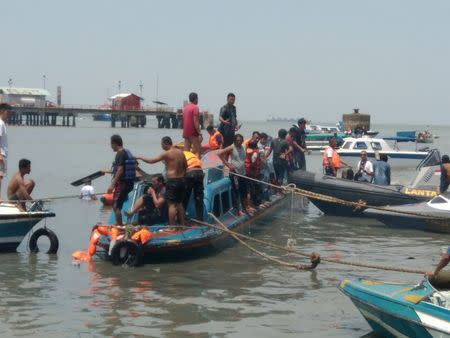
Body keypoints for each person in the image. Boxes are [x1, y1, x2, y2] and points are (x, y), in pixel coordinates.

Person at [136, 136, 187, 226]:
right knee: (179, 203)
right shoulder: (181, 152)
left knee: (171, 205)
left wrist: (140, 157)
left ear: (165, 143)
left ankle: (172, 227)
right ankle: (182, 224)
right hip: (182, 180)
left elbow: (151, 161)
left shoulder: (166, 154)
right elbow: (185, 165)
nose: (161, 146)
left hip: (172, 181)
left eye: (161, 144)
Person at [102, 135, 136, 227]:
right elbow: (120, 169)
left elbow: (120, 170)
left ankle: (120, 226)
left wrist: (112, 185)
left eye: (111, 144)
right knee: (118, 204)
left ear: (114, 143)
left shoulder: (120, 154)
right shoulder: (127, 152)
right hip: (129, 183)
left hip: (122, 184)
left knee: (116, 205)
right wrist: (105, 171)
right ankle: (120, 224)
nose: (111, 146)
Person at [217, 134, 247, 215]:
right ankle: (237, 210)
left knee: (243, 191)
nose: (239, 142)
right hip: (235, 173)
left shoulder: (244, 147)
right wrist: (228, 164)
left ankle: (244, 208)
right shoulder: (231, 147)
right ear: (234, 140)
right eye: (237, 140)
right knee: (236, 192)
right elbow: (219, 154)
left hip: (243, 173)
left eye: (240, 140)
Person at [183, 150, 204, 220]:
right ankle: (200, 219)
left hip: (190, 173)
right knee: (199, 198)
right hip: (199, 172)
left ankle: (182, 219)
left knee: (185, 197)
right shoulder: (190, 154)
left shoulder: (179, 155)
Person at [182, 92, 202, 158]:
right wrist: (200, 133)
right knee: (198, 151)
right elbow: (196, 121)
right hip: (193, 133)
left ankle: (186, 166)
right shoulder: (195, 108)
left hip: (185, 133)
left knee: (186, 152)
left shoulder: (185, 108)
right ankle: (198, 167)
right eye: (197, 99)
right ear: (196, 99)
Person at [245, 140, 263, 210]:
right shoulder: (255, 153)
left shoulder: (247, 150)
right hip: (251, 173)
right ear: (256, 146)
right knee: (251, 189)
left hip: (247, 171)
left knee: (251, 189)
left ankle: (252, 204)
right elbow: (253, 161)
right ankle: (251, 205)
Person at [0, 103, 10, 197]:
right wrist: (0, 155)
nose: (9, 115)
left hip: (3, 154)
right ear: (2, 111)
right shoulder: (0, 123)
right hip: (1, 155)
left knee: (1, 176)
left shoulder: (2, 123)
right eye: (8, 112)